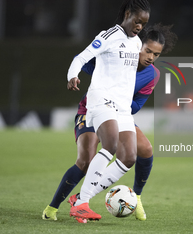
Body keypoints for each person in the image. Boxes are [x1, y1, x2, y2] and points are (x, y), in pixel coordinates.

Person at [42, 23, 177, 223]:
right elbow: (84, 62)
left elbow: (137, 105)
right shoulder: (115, 55)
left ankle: (133, 196)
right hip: (91, 110)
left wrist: (118, 96)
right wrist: (78, 76)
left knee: (145, 149)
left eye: (156, 55)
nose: (151, 57)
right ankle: (52, 207)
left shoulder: (152, 75)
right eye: (148, 51)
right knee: (86, 161)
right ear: (138, 45)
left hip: (120, 112)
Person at [42, 0, 150, 221]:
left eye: (144, 23)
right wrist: (73, 75)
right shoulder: (110, 35)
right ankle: (82, 203)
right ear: (128, 13)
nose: (140, 26)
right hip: (101, 99)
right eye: (137, 21)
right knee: (110, 144)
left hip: (122, 107)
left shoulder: (137, 42)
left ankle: (80, 198)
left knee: (129, 156)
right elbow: (80, 57)